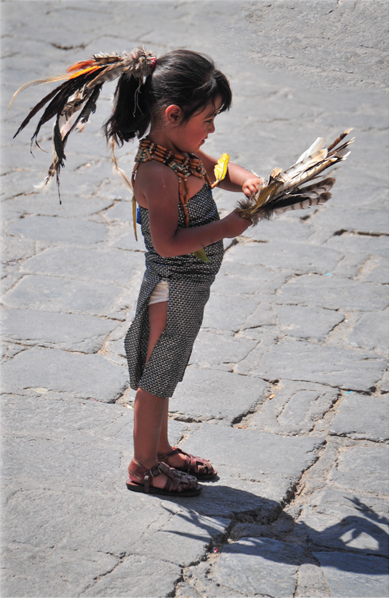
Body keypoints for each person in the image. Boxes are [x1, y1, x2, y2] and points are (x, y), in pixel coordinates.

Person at [104, 48, 263, 497]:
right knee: (156, 377)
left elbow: (221, 171)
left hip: (190, 288)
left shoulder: (180, 151)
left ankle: (163, 449)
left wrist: (247, 179)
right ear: (174, 113)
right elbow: (169, 242)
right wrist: (230, 226)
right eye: (208, 119)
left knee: (167, 371)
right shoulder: (157, 170)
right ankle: (142, 465)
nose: (212, 130)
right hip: (171, 288)